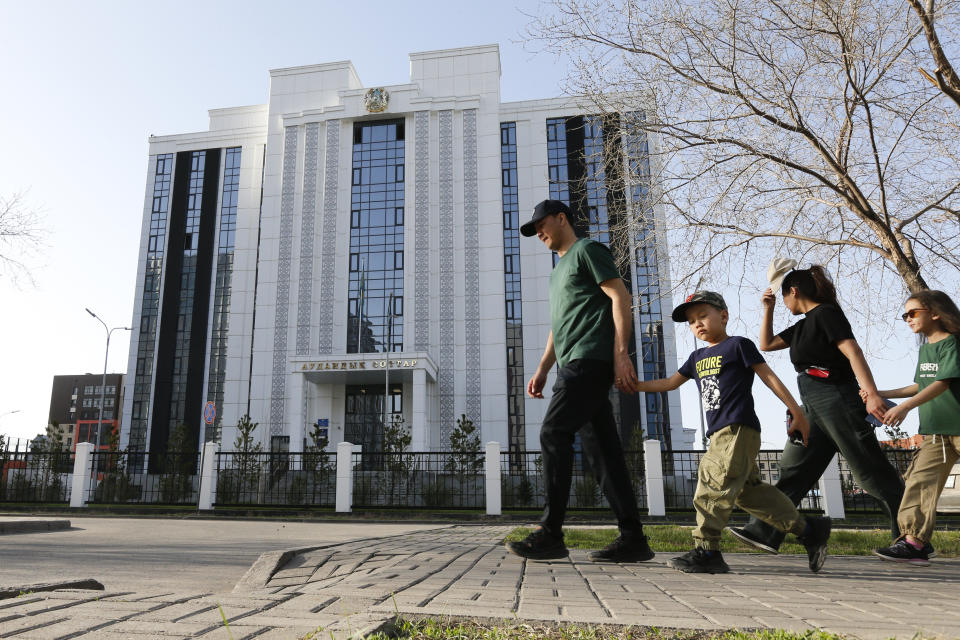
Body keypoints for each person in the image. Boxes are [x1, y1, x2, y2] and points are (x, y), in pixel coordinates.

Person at [635, 290, 831, 573]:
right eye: (691, 321)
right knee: (747, 493)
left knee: (712, 484)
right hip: (720, 433)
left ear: (723, 316)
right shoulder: (696, 357)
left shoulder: (738, 345)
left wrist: (796, 411)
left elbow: (768, 377)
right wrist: (634, 386)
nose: (697, 324)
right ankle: (809, 529)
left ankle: (707, 551)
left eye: (703, 315)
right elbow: (668, 383)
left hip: (737, 427)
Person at [505, 199, 653, 563]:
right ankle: (633, 537)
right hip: (571, 362)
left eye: (541, 225)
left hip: (589, 361)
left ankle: (551, 532)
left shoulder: (587, 250)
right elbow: (560, 326)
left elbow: (621, 295)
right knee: (604, 452)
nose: (538, 233)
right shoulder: (557, 273)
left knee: (553, 433)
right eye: (533, 230)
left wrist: (621, 354)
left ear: (561, 218)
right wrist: (542, 368)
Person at [730, 266, 905, 553]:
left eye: (783, 297)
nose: (785, 304)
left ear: (794, 291)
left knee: (870, 472)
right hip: (811, 404)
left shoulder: (826, 314)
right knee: (793, 469)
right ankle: (764, 531)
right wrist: (768, 309)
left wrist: (871, 394)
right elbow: (767, 343)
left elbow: (853, 351)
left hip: (837, 398)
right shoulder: (802, 325)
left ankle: (910, 538)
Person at [870, 290, 960, 565]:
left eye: (913, 312)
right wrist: (880, 391)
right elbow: (922, 384)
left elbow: (942, 382)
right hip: (935, 431)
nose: (907, 318)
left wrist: (905, 407)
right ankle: (914, 543)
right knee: (918, 482)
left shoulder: (953, 344)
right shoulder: (926, 350)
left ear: (935, 312)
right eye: (905, 315)